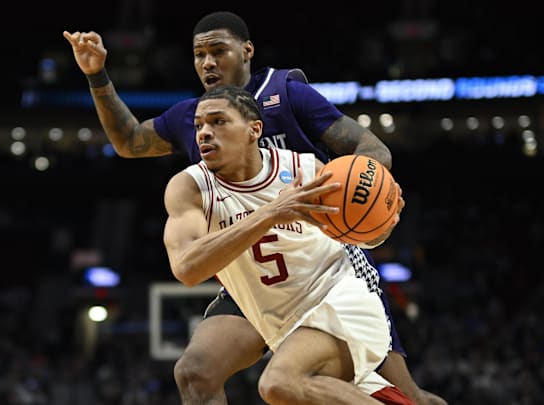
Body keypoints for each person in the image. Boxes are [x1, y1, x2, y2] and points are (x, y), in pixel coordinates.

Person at [63, 10, 446, 405]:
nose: (207, 63)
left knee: (404, 395)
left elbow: (370, 150)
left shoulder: (286, 92)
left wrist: (374, 192)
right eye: (199, 55)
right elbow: (128, 141)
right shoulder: (192, 118)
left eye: (217, 51)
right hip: (252, 277)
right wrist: (98, 76)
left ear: (246, 51)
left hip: (318, 266)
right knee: (196, 372)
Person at [163, 84, 412, 404]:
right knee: (194, 372)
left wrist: (382, 223)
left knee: (278, 382)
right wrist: (269, 213)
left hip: (340, 301)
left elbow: (362, 235)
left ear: (254, 130)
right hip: (281, 328)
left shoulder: (304, 170)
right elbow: (186, 269)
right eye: (198, 125)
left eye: (218, 122)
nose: (204, 133)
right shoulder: (190, 187)